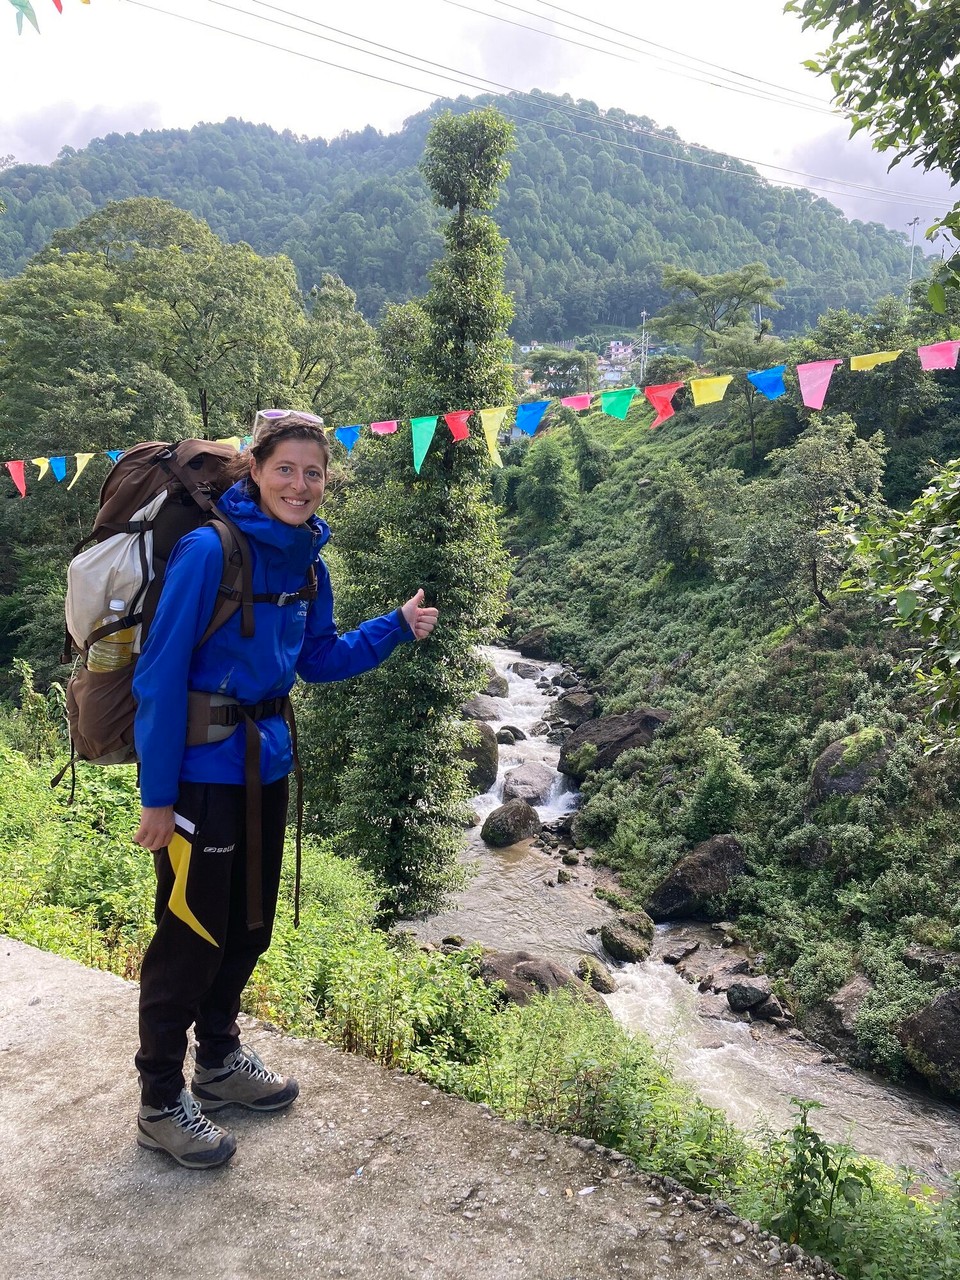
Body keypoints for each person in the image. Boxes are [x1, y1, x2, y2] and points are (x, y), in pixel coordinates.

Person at [131, 409, 438, 1169]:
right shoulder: (210, 551)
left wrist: (394, 626)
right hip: (201, 779)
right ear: (255, 470)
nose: (301, 486)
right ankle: (160, 1103)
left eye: (314, 473)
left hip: (265, 768)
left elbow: (320, 659)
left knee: (249, 927)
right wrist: (156, 796)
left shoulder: (307, 564)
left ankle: (220, 1063)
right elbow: (160, 675)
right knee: (190, 940)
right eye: (286, 469)